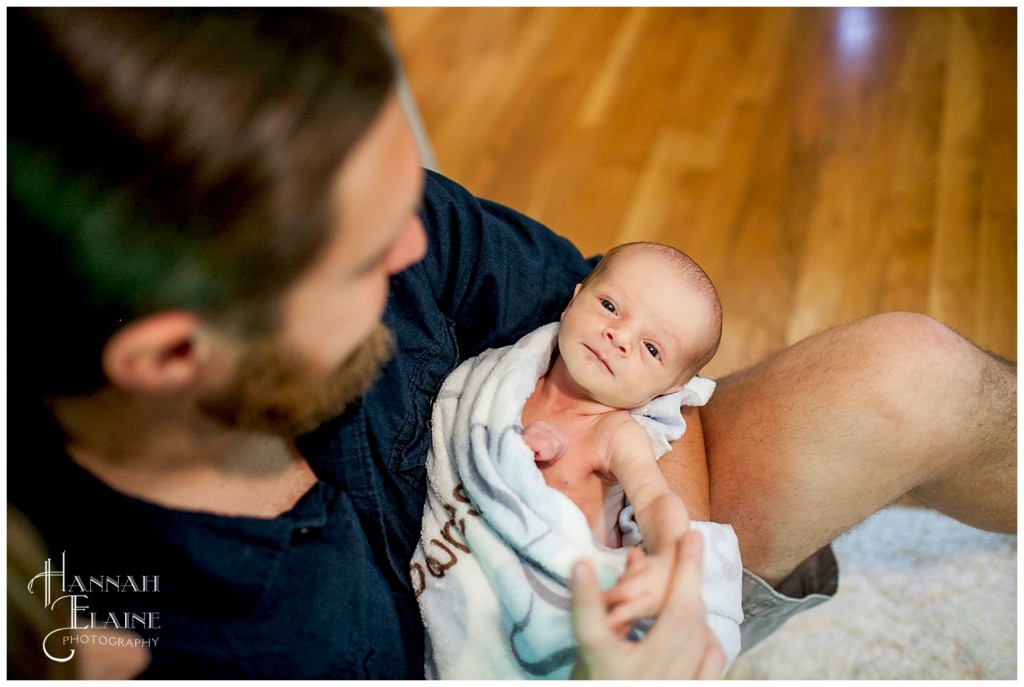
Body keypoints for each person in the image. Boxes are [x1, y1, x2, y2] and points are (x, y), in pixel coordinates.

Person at [7, 5, 1014, 680]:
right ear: (175, 357)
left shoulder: (330, 205)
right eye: (364, 259)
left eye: (406, 199)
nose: (413, 245)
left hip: (605, 542)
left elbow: (601, 326)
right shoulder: (164, 634)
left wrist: (654, 552)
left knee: (912, 373)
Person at [412, 241, 744, 678]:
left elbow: (654, 497)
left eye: (652, 349)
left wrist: (668, 552)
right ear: (573, 301)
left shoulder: (612, 432)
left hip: (550, 609)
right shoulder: (496, 378)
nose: (619, 337)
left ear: (668, 390)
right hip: (455, 578)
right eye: (609, 306)